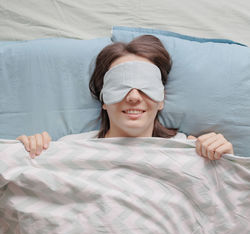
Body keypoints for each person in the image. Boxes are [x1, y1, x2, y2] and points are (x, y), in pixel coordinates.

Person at [17, 35, 234, 160]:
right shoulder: (68, 149)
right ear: (103, 99)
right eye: (120, 85)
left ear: (161, 99)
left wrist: (225, 161)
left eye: (145, 86)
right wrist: (25, 154)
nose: (133, 96)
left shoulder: (188, 151)